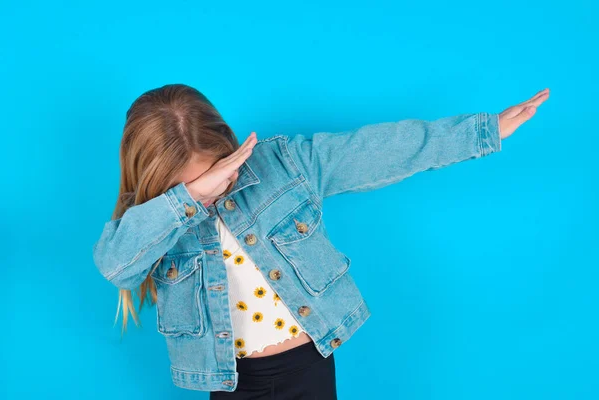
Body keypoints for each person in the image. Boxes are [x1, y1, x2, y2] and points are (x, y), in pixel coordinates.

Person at [92, 84, 549, 399]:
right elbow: (115, 266)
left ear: (227, 146)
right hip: (231, 381)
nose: (213, 190)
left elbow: (380, 150)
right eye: (192, 186)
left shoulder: (287, 165)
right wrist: (186, 201)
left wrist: (482, 131)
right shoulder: (152, 223)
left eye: (218, 173)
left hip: (307, 367)